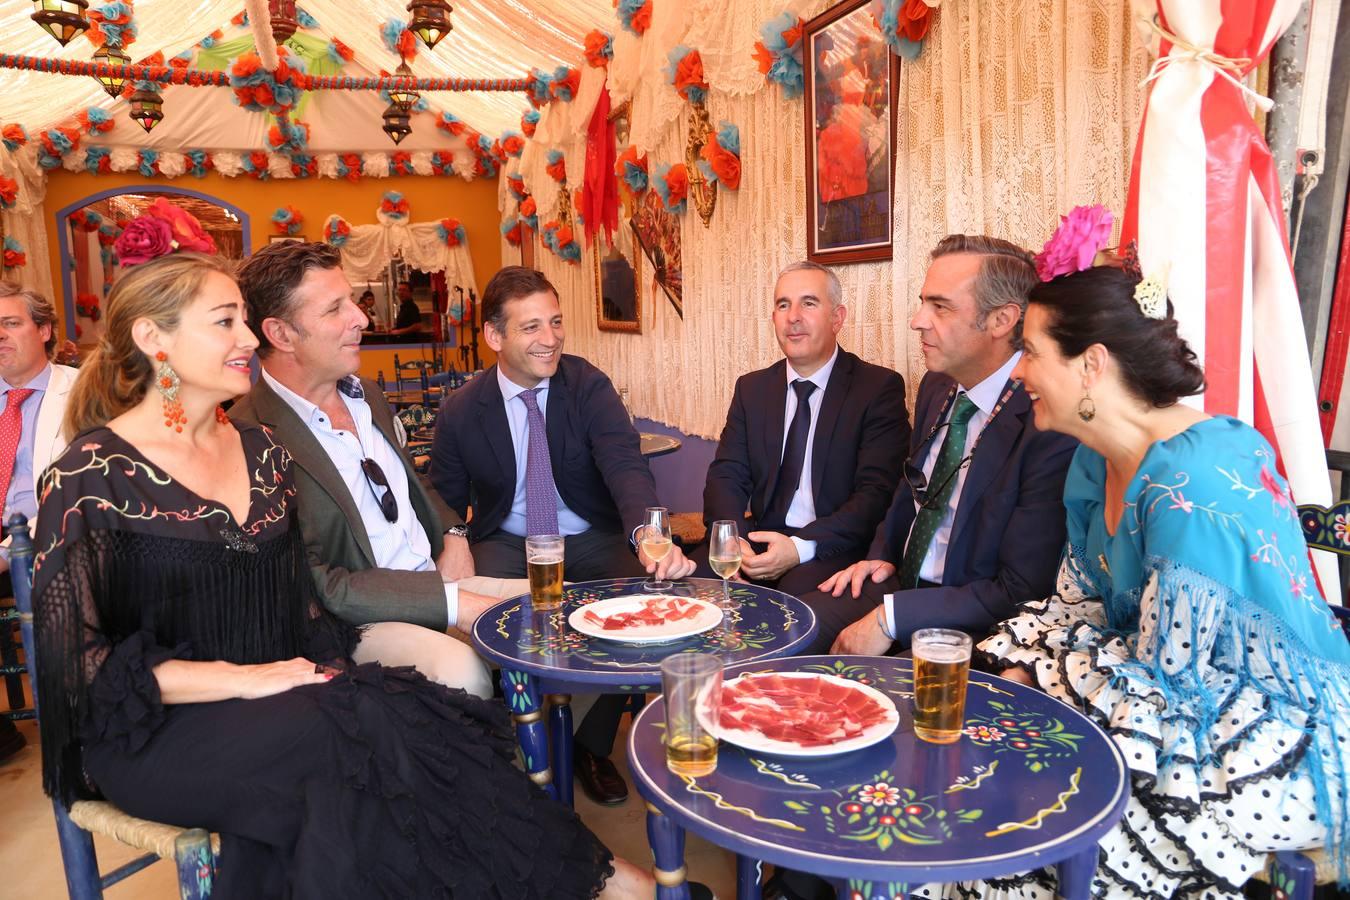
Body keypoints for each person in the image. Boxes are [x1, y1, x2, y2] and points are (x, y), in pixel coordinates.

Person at [31, 251, 664, 899]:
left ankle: (578, 880)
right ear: (152, 339)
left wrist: (316, 668)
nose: (248, 338)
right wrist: (254, 679)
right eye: (226, 322)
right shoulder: (91, 475)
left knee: (396, 724)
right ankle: (597, 884)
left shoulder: (256, 453)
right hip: (158, 726)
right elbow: (80, 671)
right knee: (353, 745)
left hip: (281, 689)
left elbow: (296, 602)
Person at [939, 264, 1350, 899]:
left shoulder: (1192, 481)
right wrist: (1032, 667)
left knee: (1048, 818)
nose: (1017, 373)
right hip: (1158, 685)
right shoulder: (1091, 459)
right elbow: (1080, 607)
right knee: (990, 749)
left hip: (1261, 722)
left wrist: (1047, 676)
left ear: (1091, 364)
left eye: (1030, 352)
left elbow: (1173, 679)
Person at [430, 264, 694, 805]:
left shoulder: (587, 385)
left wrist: (647, 532)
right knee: (477, 617)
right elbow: (441, 491)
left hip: (586, 533)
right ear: (494, 337)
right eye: (530, 328)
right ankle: (509, 740)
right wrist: (455, 531)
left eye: (555, 322)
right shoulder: (461, 410)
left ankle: (589, 745)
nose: (550, 339)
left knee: (648, 608)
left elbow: (624, 464)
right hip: (509, 537)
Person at [229, 242, 493, 698]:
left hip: (438, 578)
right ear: (281, 333)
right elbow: (314, 581)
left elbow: (413, 483)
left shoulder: (365, 393)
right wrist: (453, 604)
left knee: (567, 611)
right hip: (362, 621)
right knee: (463, 673)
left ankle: (564, 750)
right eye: (336, 308)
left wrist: (454, 534)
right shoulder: (248, 433)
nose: (362, 318)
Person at [821, 236, 1077, 657]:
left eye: (940, 307)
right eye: (924, 302)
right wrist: (882, 553)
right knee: (793, 631)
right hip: (900, 585)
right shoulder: (937, 385)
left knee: (880, 690)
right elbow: (912, 486)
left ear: (1001, 320)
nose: (917, 320)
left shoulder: (1046, 421)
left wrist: (892, 618)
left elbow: (1020, 588)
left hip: (976, 621)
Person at [700, 260, 908, 648]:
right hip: (757, 540)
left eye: (808, 303)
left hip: (830, 548)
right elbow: (726, 474)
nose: (793, 318)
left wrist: (798, 548)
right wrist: (731, 540)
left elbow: (875, 495)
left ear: (838, 317)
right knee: (682, 594)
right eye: (783, 305)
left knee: (771, 621)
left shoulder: (877, 389)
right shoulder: (753, 389)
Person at [0, 282, 76, 762]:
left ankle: (75, 732)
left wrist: (10, 549)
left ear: (44, 330)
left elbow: (87, 489)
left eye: (10, 324)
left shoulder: (85, 390)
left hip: (49, 540)